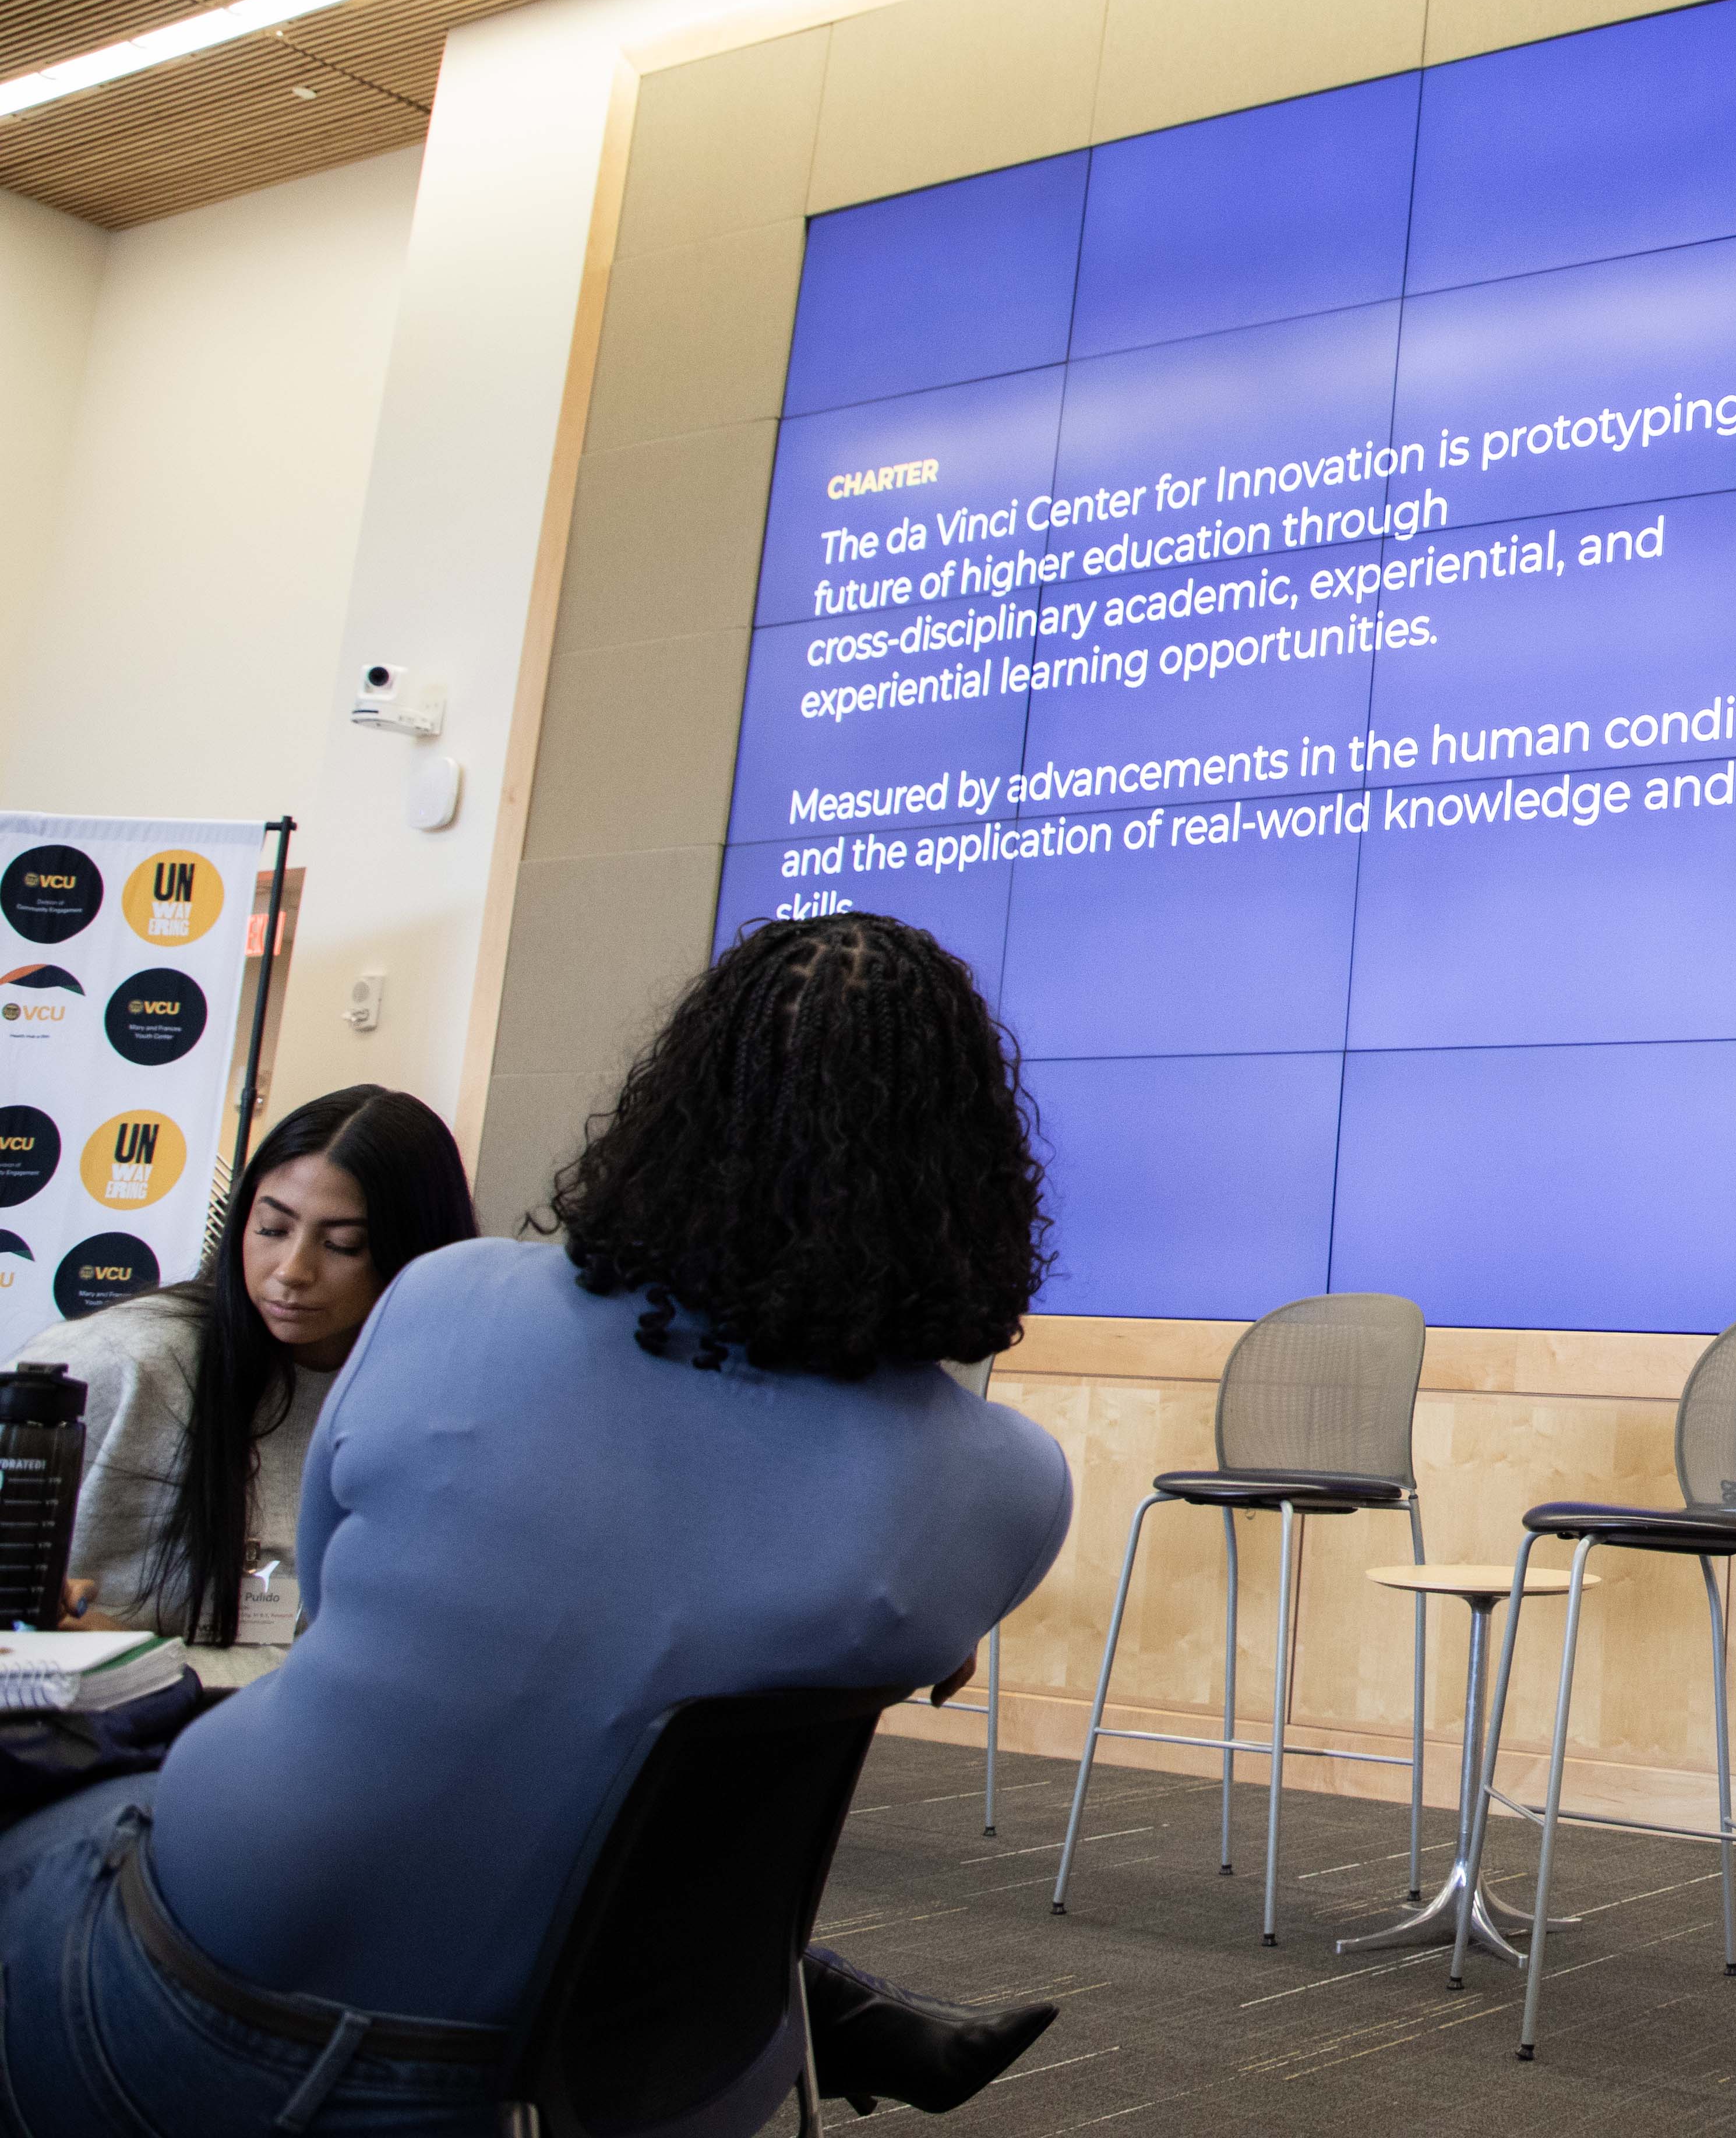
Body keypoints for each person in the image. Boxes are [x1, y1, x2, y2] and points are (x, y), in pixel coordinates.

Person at [0, 912, 1078, 2133]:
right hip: (614, 2068)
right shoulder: (1009, 1484)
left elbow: (327, 1590)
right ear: (969, 1169)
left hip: (206, 2000)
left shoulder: (453, 1298)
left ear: (672, 1109)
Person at [24, 1085, 474, 1684]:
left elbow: (360, 1669)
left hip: (254, 1737)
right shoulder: (118, 1363)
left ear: (415, 1251)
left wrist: (147, 1665)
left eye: (343, 1244)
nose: (291, 1272)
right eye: (271, 1228)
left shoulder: (434, 1415)